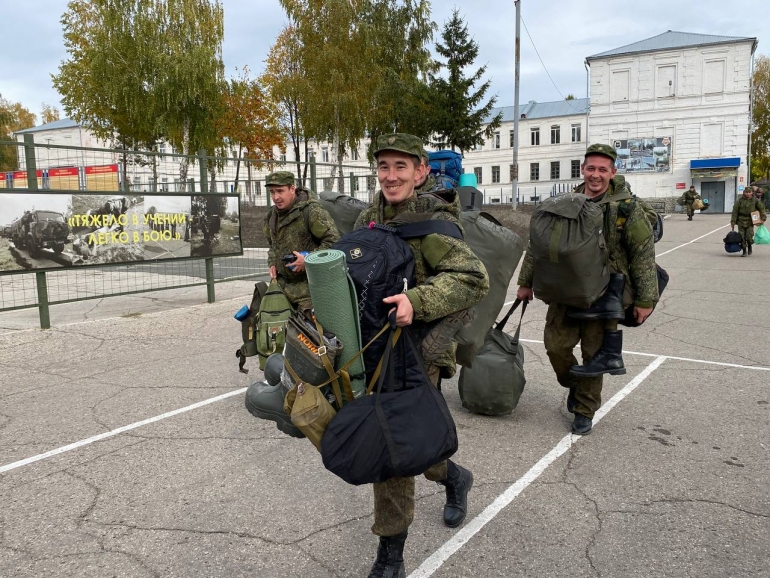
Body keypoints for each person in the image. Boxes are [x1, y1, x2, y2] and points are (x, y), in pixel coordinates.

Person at [354, 134, 489, 578]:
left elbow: (473, 278)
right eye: (383, 166)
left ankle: (389, 557)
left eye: (400, 166)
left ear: (420, 172)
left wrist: (418, 300)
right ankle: (453, 477)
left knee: (393, 450)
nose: (390, 176)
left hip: (419, 350)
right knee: (410, 447)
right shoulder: (366, 218)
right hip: (372, 347)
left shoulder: (433, 222)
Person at [516, 144, 658, 436]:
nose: (596, 175)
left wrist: (646, 298)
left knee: (594, 355)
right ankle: (575, 384)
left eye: (602, 169)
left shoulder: (626, 206)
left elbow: (643, 253)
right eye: (591, 168)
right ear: (583, 169)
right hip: (565, 287)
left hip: (606, 292)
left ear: (613, 172)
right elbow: (540, 245)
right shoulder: (566, 202)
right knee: (555, 346)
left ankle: (584, 409)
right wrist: (525, 281)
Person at [262, 171, 340, 312]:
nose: (276, 197)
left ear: (292, 189)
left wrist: (309, 260)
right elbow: (273, 245)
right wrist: (272, 262)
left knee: (310, 333)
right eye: (272, 192)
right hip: (282, 291)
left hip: (311, 292)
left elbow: (334, 242)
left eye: (280, 191)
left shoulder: (311, 211)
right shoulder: (271, 215)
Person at [731, 186, 767, 257]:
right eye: (746, 192)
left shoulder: (755, 201)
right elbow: (735, 211)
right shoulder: (740, 201)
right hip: (741, 220)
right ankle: (744, 250)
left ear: (752, 193)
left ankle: (750, 245)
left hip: (750, 220)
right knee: (741, 236)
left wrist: (763, 218)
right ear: (744, 192)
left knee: (749, 236)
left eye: (749, 192)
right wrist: (733, 221)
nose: (747, 194)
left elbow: (762, 209)